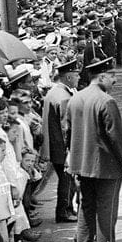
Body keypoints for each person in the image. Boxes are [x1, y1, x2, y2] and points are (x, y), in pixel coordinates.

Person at [66, 56, 122, 242]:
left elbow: (69, 133)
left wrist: (73, 161)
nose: (114, 81)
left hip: (81, 165)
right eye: (112, 76)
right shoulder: (107, 101)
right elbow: (117, 138)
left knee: (86, 208)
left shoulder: (75, 99)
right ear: (101, 76)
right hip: (105, 167)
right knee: (107, 210)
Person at [42, 58, 79, 223]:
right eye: (76, 75)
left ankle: (65, 210)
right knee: (67, 180)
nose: (78, 78)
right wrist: (69, 150)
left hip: (53, 145)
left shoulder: (54, 92)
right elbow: (66, 128)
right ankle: (64, 211)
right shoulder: (64, 97)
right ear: (68, 77)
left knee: (66, 179)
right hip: (61, 147)